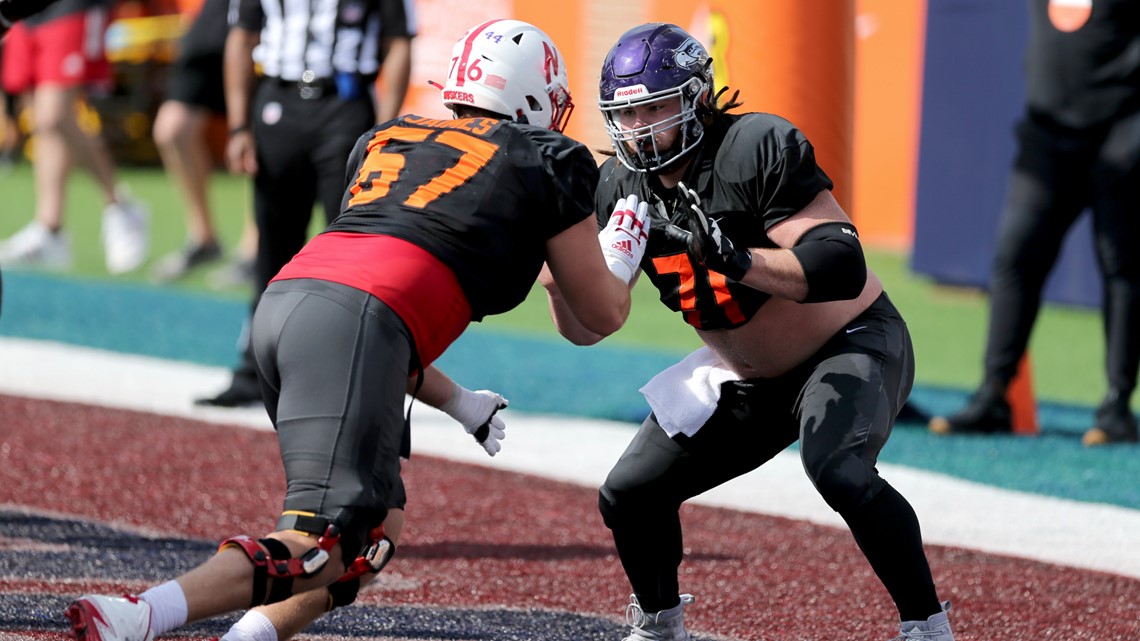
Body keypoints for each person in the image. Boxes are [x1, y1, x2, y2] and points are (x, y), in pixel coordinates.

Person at [64, 19, 644, 640]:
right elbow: (602, 313)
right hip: (355, 320)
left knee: (374, 540)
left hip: (292, 308)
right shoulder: (546, 158)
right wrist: (627, 234)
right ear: (533, 98)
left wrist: (457, 401)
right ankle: (141, 615)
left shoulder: (386, 137)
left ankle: (247, 637)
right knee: (323, 543)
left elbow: (383, 305)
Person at [541, 23, 955, 641]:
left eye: (656, 107)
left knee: (838, 469)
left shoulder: (752, 146)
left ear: (697, 97)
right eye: (627, 114)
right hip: (746, 376)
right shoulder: (618, 186)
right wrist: (559, 277)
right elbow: (589, 330)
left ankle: (928, 626)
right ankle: (659, 625)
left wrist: (739, 260)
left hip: (845, 342)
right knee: (628, 494)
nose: (641, 128)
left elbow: (842, 265)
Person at [929, 0, 1140, 445]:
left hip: (1120, 130)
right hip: (1047, 132)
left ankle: (1117, 408)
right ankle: (995, 395)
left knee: (1120, 265)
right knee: (1015, 256)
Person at [193, 0, 415, 407]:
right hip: (279, 100)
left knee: (351, 255)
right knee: (273, 252)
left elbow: (398, 43)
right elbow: (242, 37)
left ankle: (355, 380)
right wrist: (240, 124)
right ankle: (256, 373)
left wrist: (383, 131)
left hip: (345, 104)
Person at [0, 0, 149, 274]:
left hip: (73, 5)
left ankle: (120, 207)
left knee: (55, 115)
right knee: (40, 117)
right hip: (25, 13)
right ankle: (50, 228)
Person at [150, 0, 256, 283]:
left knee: (258, 131)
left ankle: (253, 249)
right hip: (216, 14)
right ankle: (204, 238)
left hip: (269, 17)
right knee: (172, 129)